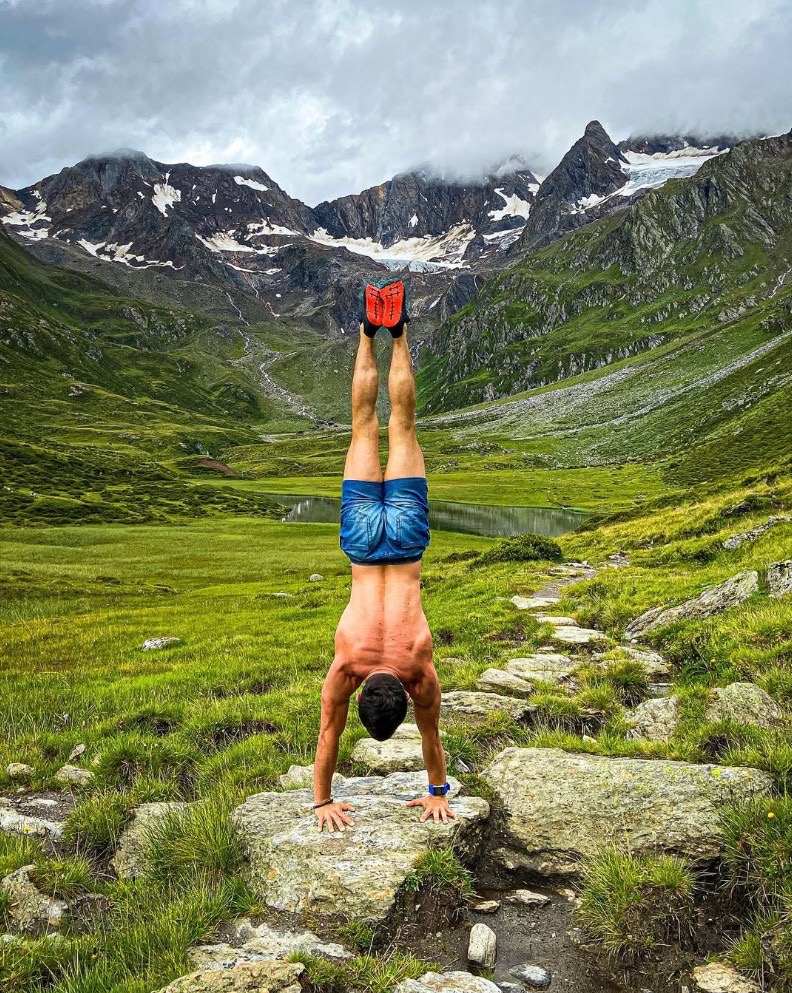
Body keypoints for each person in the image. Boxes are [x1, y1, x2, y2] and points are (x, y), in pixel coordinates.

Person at [312, 279, 454, 832]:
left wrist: (438, 792)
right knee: (368, 426)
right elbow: (329, 732)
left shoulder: (419, 669)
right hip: (362, 546)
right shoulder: (348, 667)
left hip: (407, 540)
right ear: (366, 689)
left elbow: (430, 735)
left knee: (399, 425)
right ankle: (371, 330)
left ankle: (393, 330)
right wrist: (321, 800)